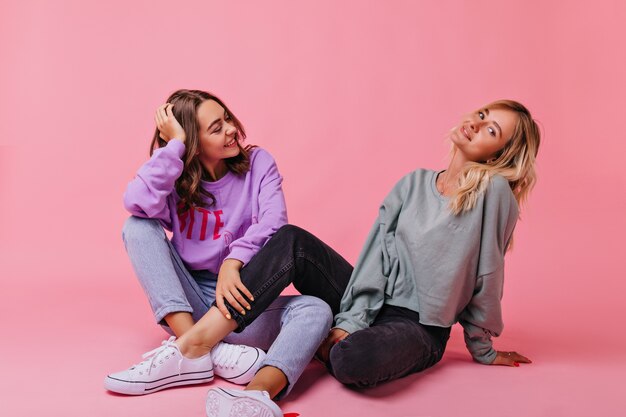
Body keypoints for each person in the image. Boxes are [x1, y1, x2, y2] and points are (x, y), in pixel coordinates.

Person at [169, 99, 540, 401]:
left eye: (492, 129)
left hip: (418, 326)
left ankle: (310, 342)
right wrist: (352, 319)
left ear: (499, 157)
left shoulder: (494, 194)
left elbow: (487, 274)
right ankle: (195, 344)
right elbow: (376, 256)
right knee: (292, 240)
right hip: (366, 298)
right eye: (481, 114)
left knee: (353, 360)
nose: (476, 124)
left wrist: (483, 348)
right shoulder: (413, 184)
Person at [104, 89, 335, 417]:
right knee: (138, 226)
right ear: (193, 145)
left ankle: (253, 391)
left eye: (226, 118)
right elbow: (137, 202)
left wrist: (232, 261)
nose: (230, 129)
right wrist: (174, 148)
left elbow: (274, 224)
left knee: (316, 308)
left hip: (244, 301)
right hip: (188, 304)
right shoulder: (176, 178)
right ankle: (193, 348)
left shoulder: (258, 163)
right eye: (216, 128)